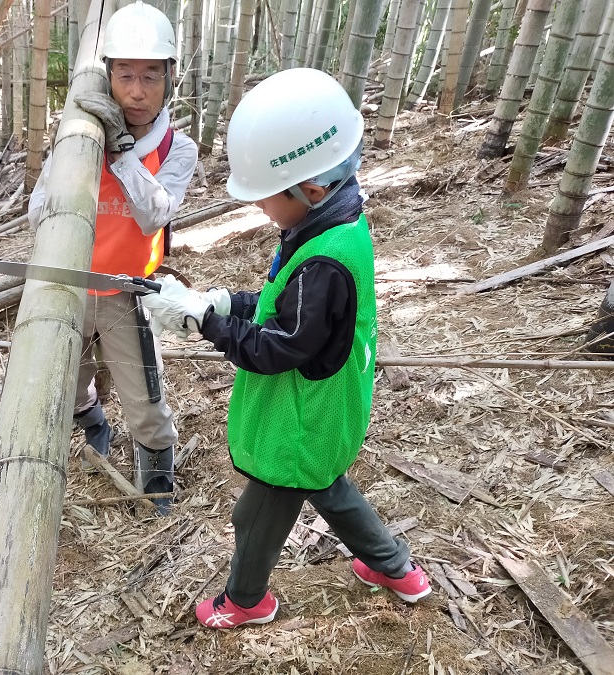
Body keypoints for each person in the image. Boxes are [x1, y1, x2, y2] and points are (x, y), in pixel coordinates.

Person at [142, 68, 432, 627]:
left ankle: (246, 601)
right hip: (324, 414)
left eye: (265, 197)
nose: (260, 208)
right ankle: (397, 569)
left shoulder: (323, 260)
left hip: (298, 422)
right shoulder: (333, 227)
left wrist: (205, 322)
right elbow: (288, 308)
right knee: (329, 488)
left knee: (256, 516)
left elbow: (274, 350)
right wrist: (227, 302)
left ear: (311, 188)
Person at [28, 1, 198, 515]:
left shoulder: (175, 147)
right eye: (126, 76)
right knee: (69, 381)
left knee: (144, 394)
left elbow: (155, 215)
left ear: (170, 77)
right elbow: (38, 213)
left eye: (151, 76)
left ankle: (155, 474)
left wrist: (123, 153)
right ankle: (93, 425)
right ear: (107, 77)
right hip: (70, 286)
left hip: (129, 291)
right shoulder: (76, 141)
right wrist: (84, 149)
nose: (138, 91)